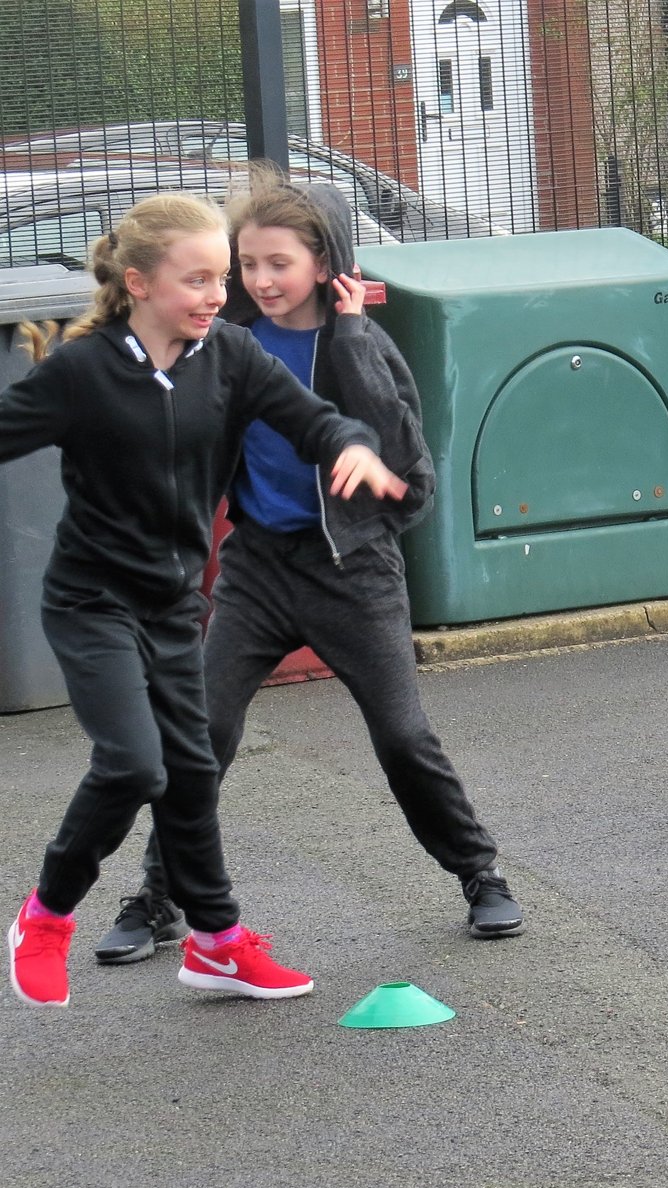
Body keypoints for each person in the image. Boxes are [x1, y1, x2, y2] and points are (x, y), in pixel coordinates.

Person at [91, 167, 524, 966]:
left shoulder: (362, 346)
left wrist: (353, 339)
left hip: (353, 573)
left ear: (325, 264)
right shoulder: (227, 346)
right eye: (245, 265)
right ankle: (155, 900)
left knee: (401, 735)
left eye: (277, 264)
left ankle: (480, 873)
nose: (259, 281)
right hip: (258, 570)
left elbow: (412, 481)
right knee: (202, 732)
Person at [1, 192, 409, 1008]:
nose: (218, 294)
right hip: (93, 605)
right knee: (133, 763)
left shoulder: (228, 356)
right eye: (198, 280)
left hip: (174, 605)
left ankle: (217, 943)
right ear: (138, 282)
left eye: (221, 278)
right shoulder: (83, 372)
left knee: (190, 771)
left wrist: (353, 445)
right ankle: (45, 918)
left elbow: (313, 420)